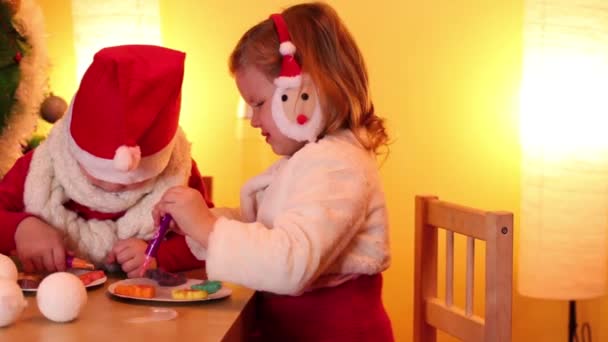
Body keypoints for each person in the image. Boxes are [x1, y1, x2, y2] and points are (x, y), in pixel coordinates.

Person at [153, 3, 393, 341]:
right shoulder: (308, 161)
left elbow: (290, 261)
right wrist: (195, 224)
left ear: (304, 92)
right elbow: (265, 227)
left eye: (258, 104)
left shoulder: (340, 165)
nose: (253, 120)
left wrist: (207, 227)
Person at [0, 44, 212, 278]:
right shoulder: (41, 166)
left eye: (131, 182)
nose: (112, 187)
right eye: (96, 172)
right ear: (73, 150)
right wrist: (21, 228)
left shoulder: (178, 173)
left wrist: (158, 255)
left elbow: (207, 238)